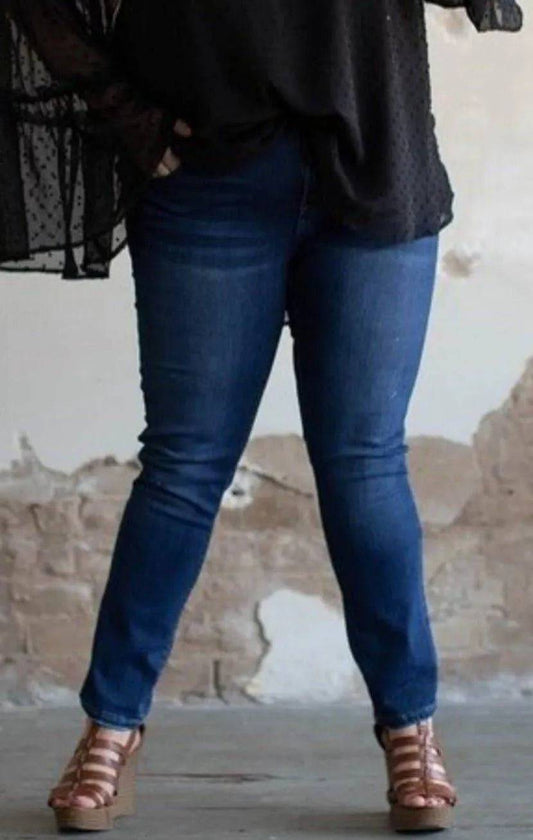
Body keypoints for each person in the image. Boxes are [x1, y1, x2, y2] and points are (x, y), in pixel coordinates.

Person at [0, 0, 523, 834]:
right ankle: (112, 728)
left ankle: (409, 728)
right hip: (207, 174)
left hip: (371, 155)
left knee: (364, 461)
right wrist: (128, 113)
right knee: (183, 465)